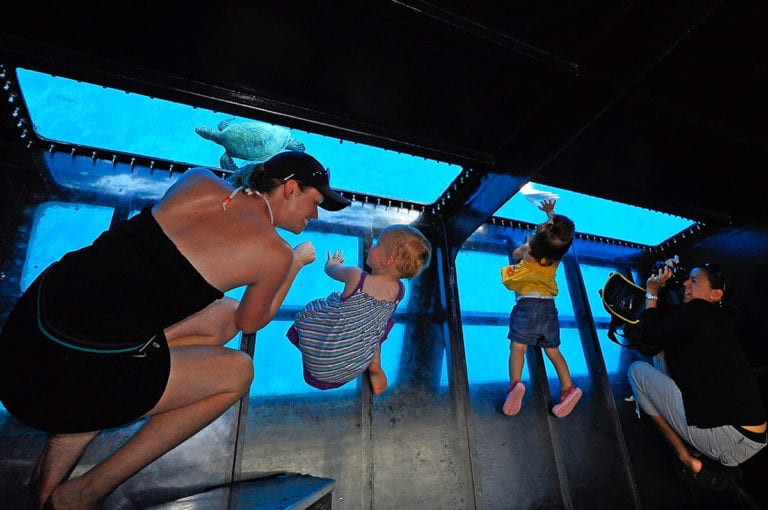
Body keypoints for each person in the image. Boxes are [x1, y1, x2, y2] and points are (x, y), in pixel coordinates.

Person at [0, 150, 350, 510]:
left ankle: (83, 415)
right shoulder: (273, 253)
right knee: (239, 372)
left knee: (221, 312)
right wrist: (293, 264)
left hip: (22, 338)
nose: (316, 214)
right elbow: (252, 323)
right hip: (59, 385)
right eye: (316, 201)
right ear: (291, 189)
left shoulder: (197, 180)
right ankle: (84, 488)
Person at [628, 260, 767, 490]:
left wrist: (652, 292)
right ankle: (699, 446)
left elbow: (650, 339)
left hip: (728, 437)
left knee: (637, 372)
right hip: (753, 437)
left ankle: (687, 458)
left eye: (693, 280)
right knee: (665, 355)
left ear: (715, 294)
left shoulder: (700, 310)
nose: (685, 283)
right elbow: (667, 330)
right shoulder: (716, 319)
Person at [287, 225, 431, 394]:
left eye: (378, 244)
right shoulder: (399, 291)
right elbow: (378, 329)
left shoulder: (356, 276)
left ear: (387, 260)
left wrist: (332, 263)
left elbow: (330, 270)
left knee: (313, 311)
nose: (372, 246)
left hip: (322, 361)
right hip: (352, 366)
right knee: (378, 327)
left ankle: (314, 340)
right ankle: (375, 366)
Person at [500, 199, 581, 417]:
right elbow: (561, 238)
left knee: (518, 348)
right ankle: (568, 388)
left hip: (527, 306)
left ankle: (515, 384)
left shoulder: (528, 254)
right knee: (553, 351)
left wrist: (528, 244)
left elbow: (516, 254)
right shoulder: (555, 259)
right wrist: (551, 214)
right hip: (549, 308)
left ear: (535, 244)